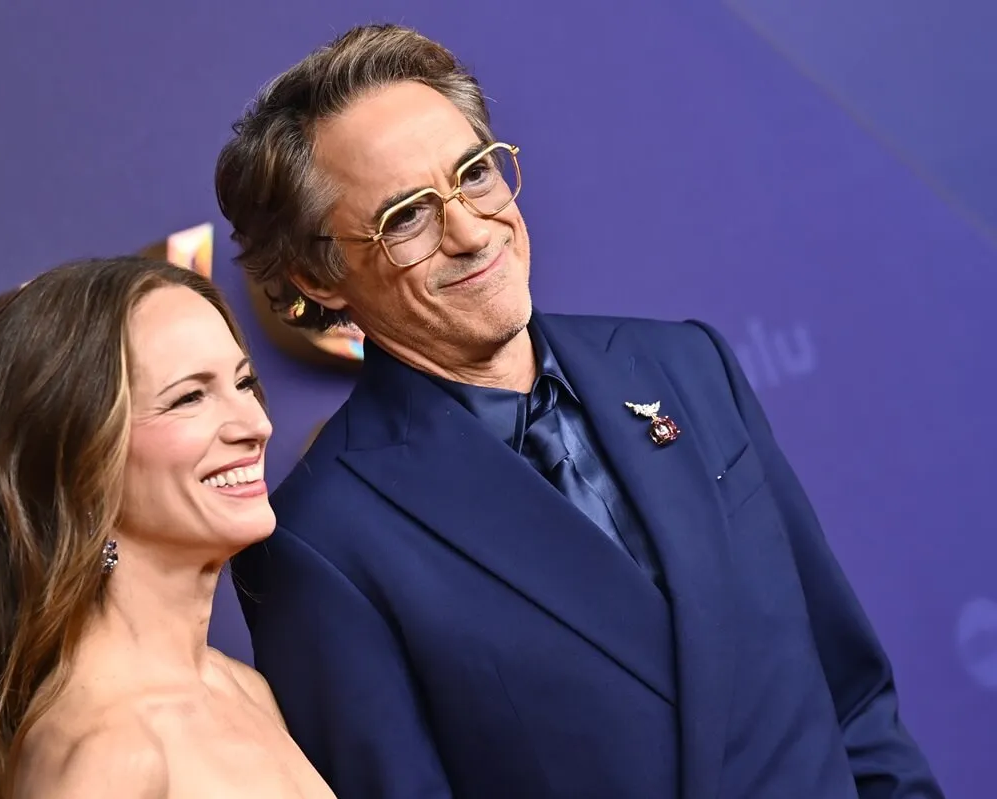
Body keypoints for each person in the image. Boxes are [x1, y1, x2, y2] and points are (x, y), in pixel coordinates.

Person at [215, 24, 943, 799]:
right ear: (316, 276)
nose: (469, 231)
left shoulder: (686, 366)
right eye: (407, 219)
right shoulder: (320, 542)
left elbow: (853, 697)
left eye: (476, 174)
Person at [0, 256, 335, 799]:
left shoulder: (240, 688)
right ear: (80, 466)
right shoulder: (106, 753)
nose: (256, 424)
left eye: (243, 383)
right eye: (189, 398)